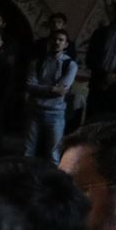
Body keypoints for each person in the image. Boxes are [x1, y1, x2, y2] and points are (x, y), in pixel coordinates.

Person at [25, 26, 78, 162]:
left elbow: (62, 90)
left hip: (56, 114)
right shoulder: (37, 62)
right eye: (54, 39)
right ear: (49, 41)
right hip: (34, 111)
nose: (57, 42)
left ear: (66, 44)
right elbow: (30, 85)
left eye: (61, 40)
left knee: (53, 155)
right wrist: (52, 89)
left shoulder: (70, 65)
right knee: (27, 151)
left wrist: (40, 88)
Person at [85, 0, 116, 120]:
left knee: (111, 120)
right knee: (93, 118)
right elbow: (90, 57)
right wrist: (104, 75)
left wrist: (115, 76)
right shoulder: (100, 33)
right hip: (98, 83)